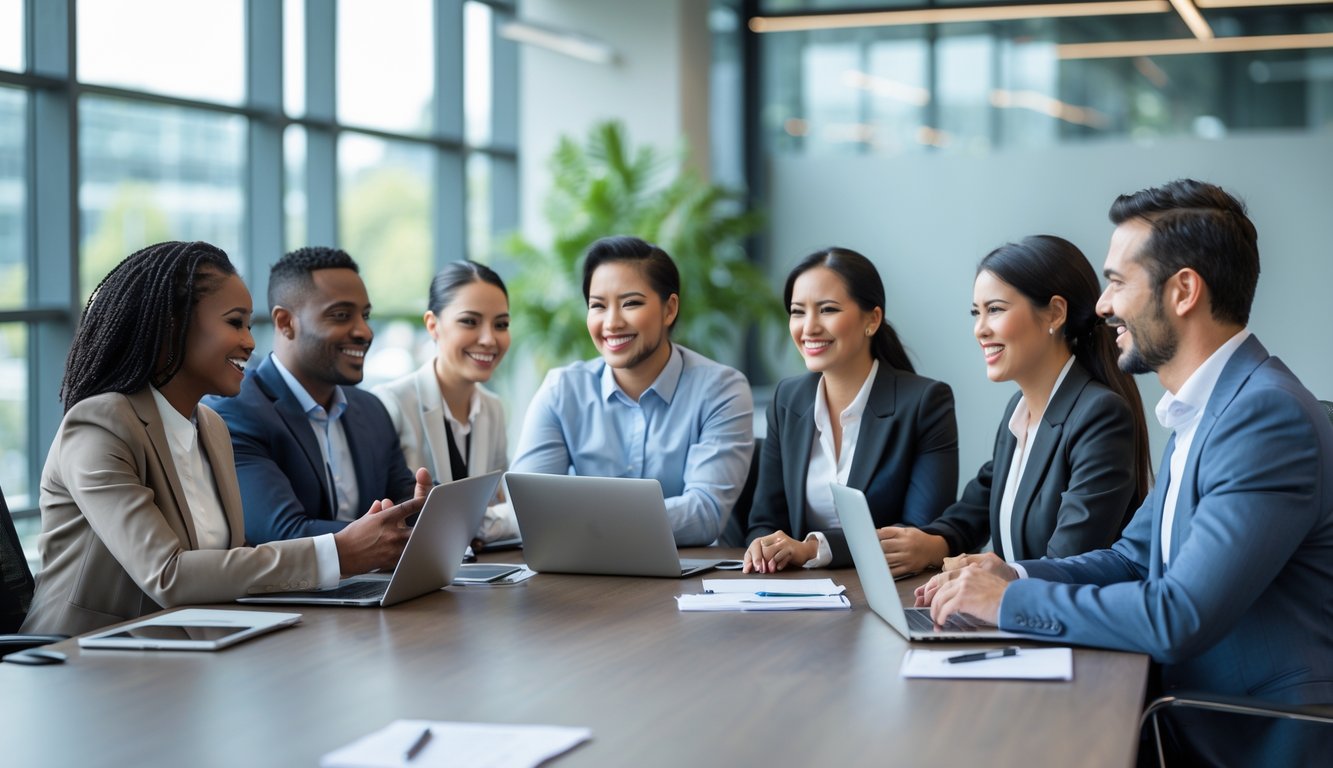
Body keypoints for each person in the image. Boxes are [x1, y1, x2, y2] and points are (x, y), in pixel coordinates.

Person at [917, 180, 1333, 765]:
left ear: (1183, 291)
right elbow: (1132, 559)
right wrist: (1012, 573)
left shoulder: (1262, 417)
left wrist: (1007, 603)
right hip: (1181, 714)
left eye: (1116, 282)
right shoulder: (1207, 409)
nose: (1103, 305)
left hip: (1246, 737)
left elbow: (1178, 616)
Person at [20, 241, 429, 636]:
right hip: (83, 656)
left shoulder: (211, 426)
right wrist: (337, 552)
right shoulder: (100, 425)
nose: (250, 342)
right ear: (172, 326)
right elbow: (167, 574)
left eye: (249, 325)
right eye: (234, 323)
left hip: (192, 648)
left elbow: (231, 563)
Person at [876, 236, 1150, 577]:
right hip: (1011, 606)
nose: (980, 329)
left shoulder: (1100, 415)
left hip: (1056, 609)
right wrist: (931, 544)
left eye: (995, 309)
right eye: (976, 313)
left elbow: (1068, 563)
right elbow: (977, 507)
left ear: (1055, 313)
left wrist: (998, 574)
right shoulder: (1019, 410)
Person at [504, 235, 754, 546]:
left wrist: (586, 522)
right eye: (598, 306)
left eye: (631, 303)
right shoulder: (562, 390)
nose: (612, 323)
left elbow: (704, 514)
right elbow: (527, 507)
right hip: (583, 566)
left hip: (690, 568)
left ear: (669, 309)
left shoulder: (721, 390)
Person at [743, 248, 958, 572]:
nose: (809, 327)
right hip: (799, 591)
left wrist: (813, 548)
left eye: (827, 310)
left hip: (892, 589)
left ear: (872, 319)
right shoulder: (787, 399)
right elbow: (764, 521)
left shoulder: (926, 402)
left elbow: (917, 532)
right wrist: (763, 547)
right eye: (798, 312)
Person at [209, 247, 419, 544]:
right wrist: (390, 531)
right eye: (341, 316)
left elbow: (405, 505)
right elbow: (281, 534)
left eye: (365, 316)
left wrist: (429, 509)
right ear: (285, 322)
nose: (365, 332)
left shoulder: (371, 408)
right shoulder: (235, 411)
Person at [374, 261, 512, 542]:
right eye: (470, 321)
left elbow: (500, 505)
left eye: (501, 324)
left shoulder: (493, 408)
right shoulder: (390, 404)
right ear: (432, 325)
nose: (489, 339)